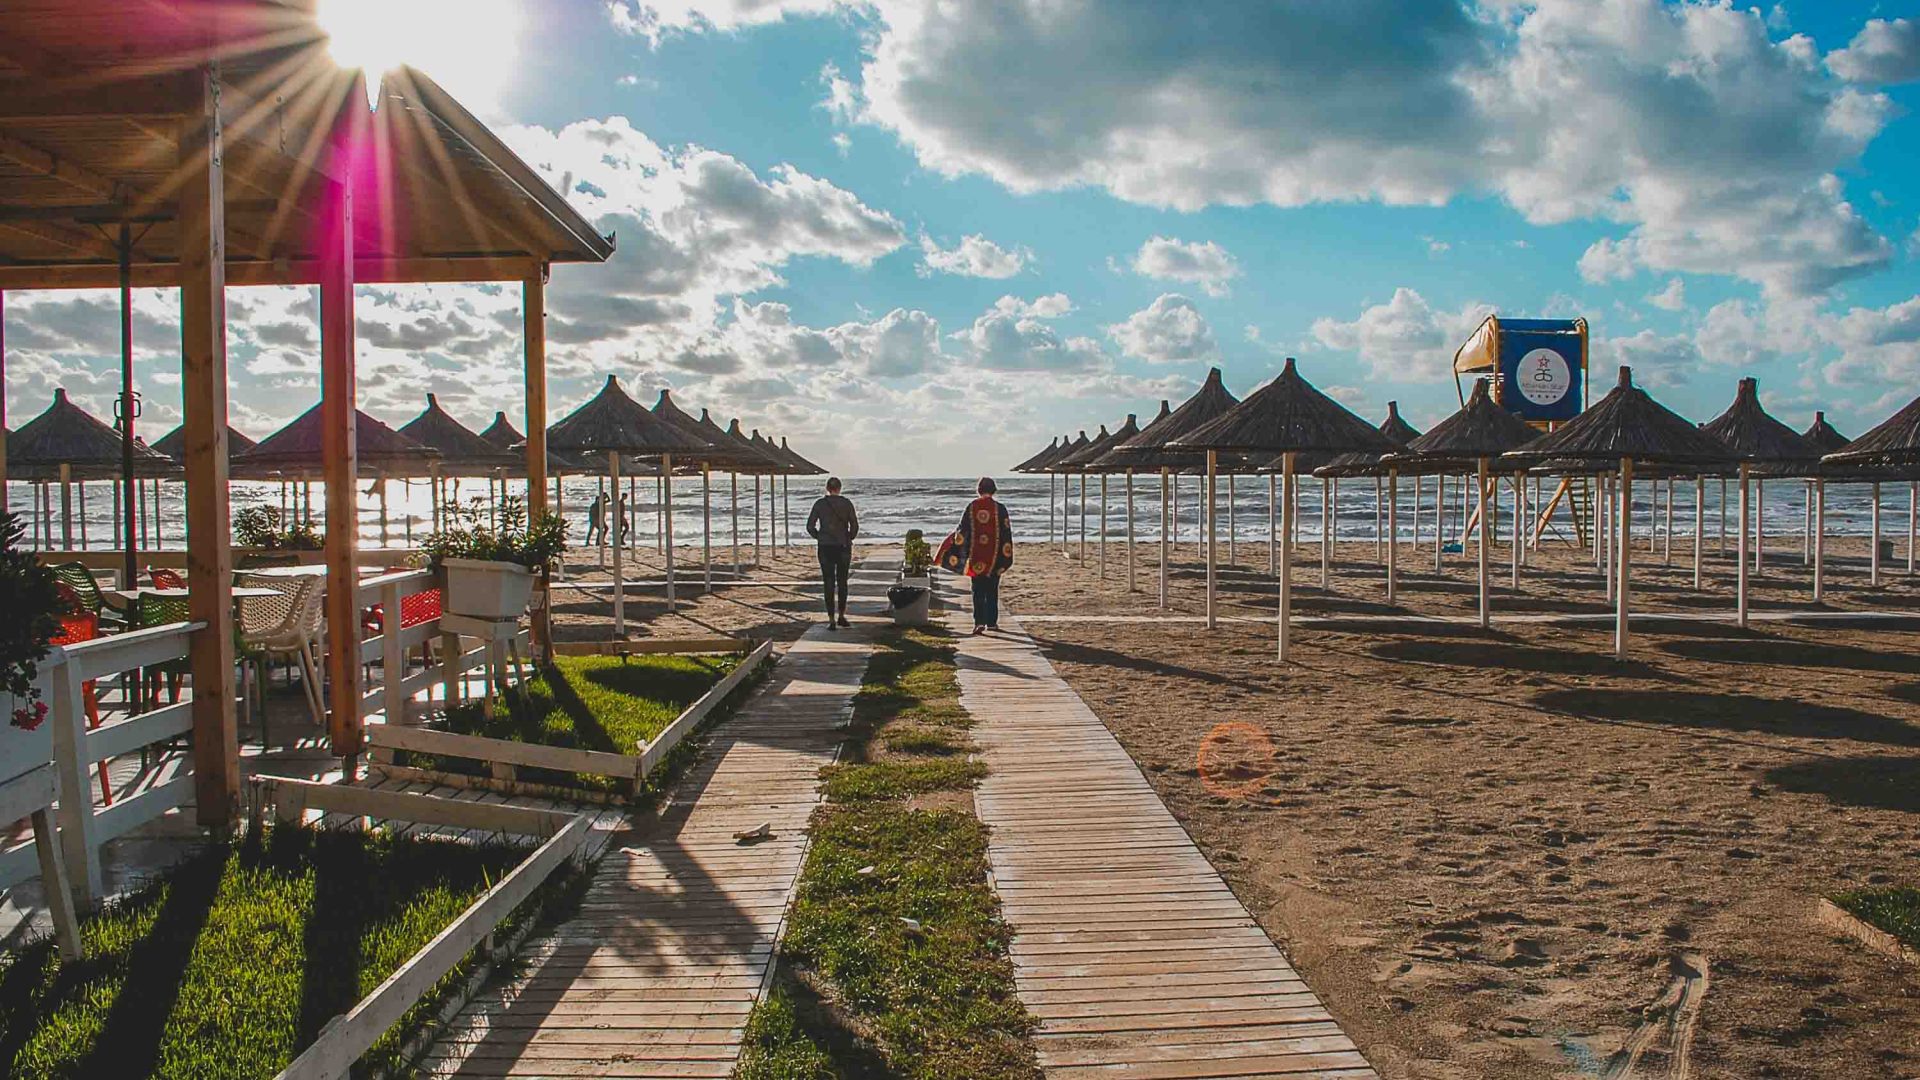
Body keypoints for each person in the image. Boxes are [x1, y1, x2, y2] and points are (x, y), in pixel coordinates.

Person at [938, 477, 1014, 634]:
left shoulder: (972, 507)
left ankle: (979, 622)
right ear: (994, 490)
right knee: (992, 590)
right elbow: (1006, 534)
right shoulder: (1000, 508)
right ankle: (992, 623)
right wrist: (1004, 557)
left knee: (978, 590)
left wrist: (951, 546)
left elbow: (962, 531)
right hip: (995, 557)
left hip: (977, 556)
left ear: (979, 490)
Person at [806, 477, 859, 629]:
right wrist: (849, 537)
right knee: (842, 581)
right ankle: (842, 615)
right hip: (843, 546)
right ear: (840, 488)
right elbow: (854, 525)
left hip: (825, 547)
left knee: (828, 582)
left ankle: (831, 619)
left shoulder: (820, 504)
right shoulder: (847, 503)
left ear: (827, 488)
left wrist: (820, 536)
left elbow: (810, 526)